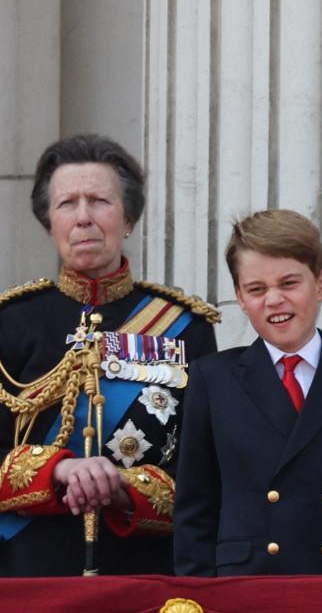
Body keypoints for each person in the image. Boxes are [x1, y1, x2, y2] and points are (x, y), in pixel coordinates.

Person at [0, 134, 219, 576]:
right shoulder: (11, 322)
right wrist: (59, 472)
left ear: (130, 218)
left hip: (144, 570)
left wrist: (122, 488)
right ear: (49, 223)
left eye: (100, 201)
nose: (83, 218)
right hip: (27, 568)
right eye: (67, 204)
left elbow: (205, 470)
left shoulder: (186, 327)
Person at [174, 209, 322, 576]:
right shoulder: (213, 379)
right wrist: (203, 600)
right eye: (257, 289)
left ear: (321, 284)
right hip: (242, 589)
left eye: (289, 283)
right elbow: (195, 507)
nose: (274, 299)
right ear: (240, 297)